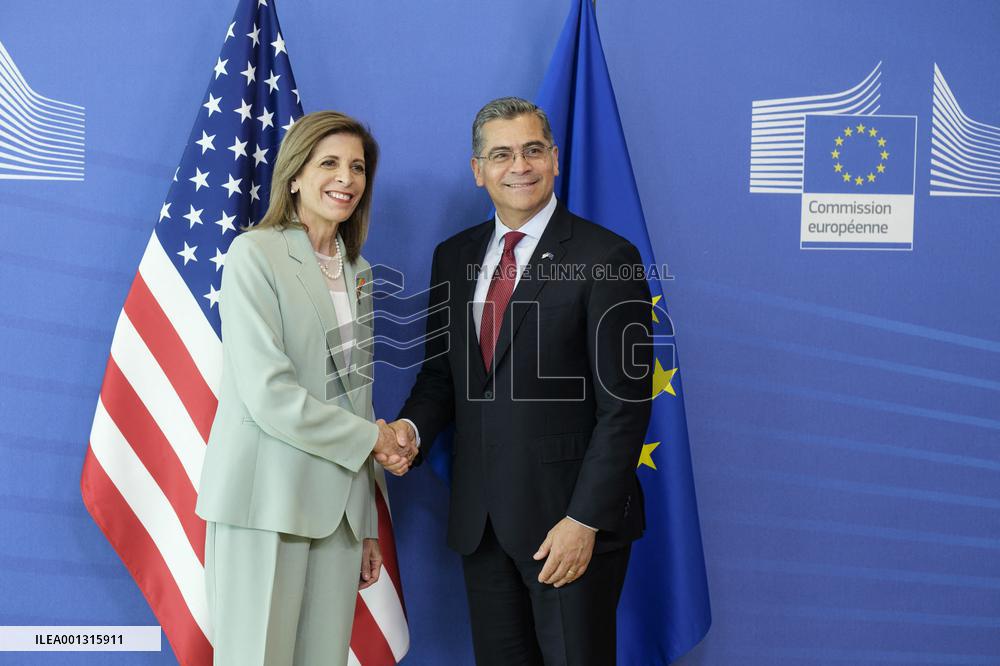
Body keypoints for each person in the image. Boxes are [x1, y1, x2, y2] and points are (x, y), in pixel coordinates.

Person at [383, 97, 653, 665]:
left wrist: (584, 520)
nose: (519, 166)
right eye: (501, 154)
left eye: (532, 150)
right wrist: (412, 430)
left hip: (568, 527)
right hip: (482, 526)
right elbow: (442, 376)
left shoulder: (608, 257)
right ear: (478, 170)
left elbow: (625, 408)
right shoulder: (453, 256)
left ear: (554, 158)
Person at [195, 111, 409, 666]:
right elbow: (270, 394)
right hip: (264, 502)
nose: (346, 178)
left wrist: (365, 523)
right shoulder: (254, 254)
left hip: (339, 517)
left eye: (357, 167)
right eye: (329, 163)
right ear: (294, 176)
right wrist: (375, 440)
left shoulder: (359, 272)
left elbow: (358, 398)